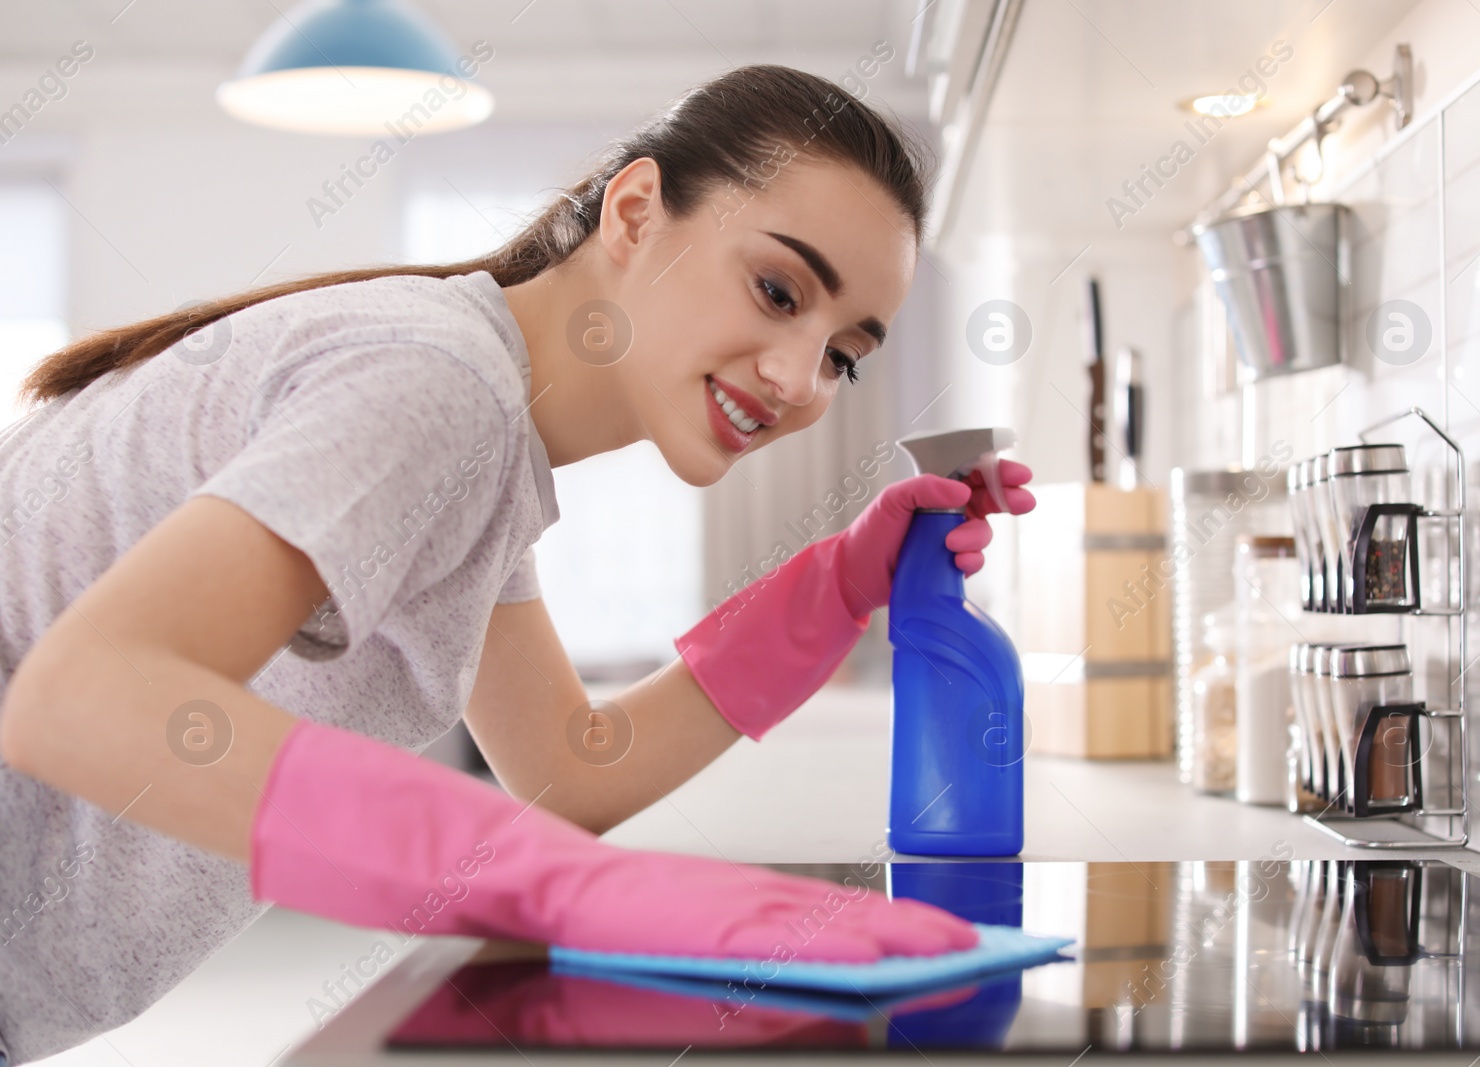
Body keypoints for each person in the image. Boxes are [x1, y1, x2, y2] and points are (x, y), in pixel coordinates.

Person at [0, 64, 1034, 1062]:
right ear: (634, 212)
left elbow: (565, 767)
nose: (798, 378)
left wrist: (838, 584)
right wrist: (543, 880)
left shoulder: (484, 437)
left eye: (844, 353)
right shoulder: (441, 385)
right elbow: (84, 696)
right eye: (776, 290)